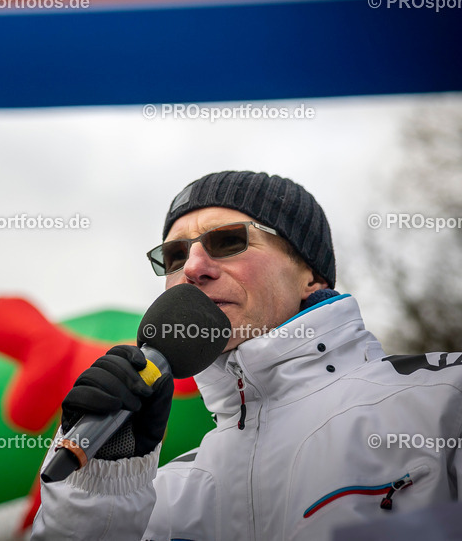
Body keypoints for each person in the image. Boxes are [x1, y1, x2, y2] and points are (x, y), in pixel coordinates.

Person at [33, 170, 462, 540]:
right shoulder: (162, 492)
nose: (193, 267)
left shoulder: (443, 401)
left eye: (227, 241)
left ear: (309, 274)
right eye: (174, 255)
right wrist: (102, 489)